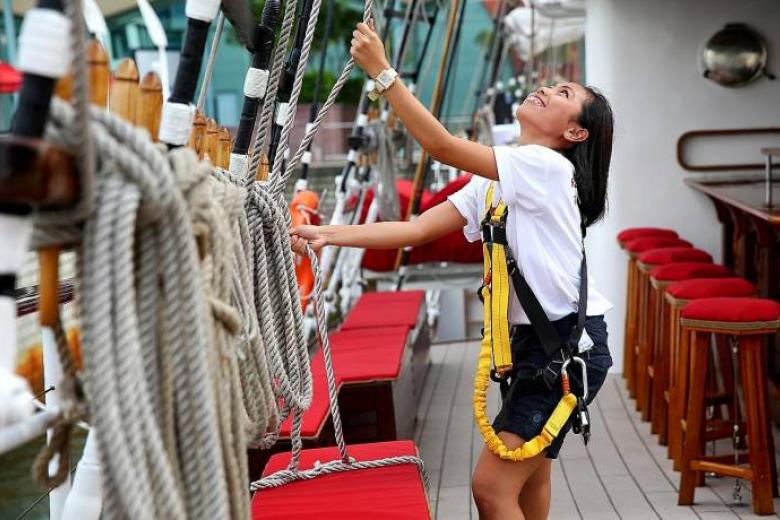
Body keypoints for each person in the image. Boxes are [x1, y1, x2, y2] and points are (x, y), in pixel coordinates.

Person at [290, 21, 615, 520]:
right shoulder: (498, 180)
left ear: (574, 133)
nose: (546, 88)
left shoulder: (546, 167)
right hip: (545, 345)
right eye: (551, 85)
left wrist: (382, 73)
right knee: (530, 480)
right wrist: (330, 235)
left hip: (565, 348)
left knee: (490, 489)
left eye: (563, 92)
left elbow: (440, 146)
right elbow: (417, 230)